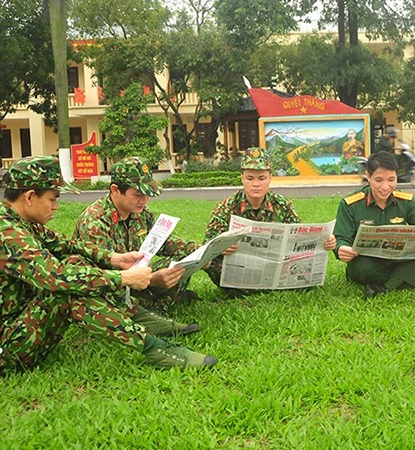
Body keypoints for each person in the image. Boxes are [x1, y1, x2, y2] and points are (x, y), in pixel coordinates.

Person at [0, 156, 216, 373]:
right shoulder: (7, 233)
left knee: (76, 264)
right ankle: (153, 346)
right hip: (6, 350)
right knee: (64, 289)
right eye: (52, 199)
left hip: (21, 328)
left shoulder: (24, 224)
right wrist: (125, 277)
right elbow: (56, 276)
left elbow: (69, 246)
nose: (56, 206)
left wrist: (114, 258)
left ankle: (148, 330)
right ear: (29, 197)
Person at [73, 157, 201, 336]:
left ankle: (153, 308)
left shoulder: (142, 214)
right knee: (113, 300)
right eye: (138, 195)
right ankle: (151, 312)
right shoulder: (95, 221)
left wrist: (202, 250)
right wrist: (152, 279)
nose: (144, 200)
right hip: (108, 287)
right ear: (115, 190)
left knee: (180, 263)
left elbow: (166, 244)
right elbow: (105, 278)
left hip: (137, 280)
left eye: (147, 194)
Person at [204, 147, 336, 296]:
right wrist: (220, 247)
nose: (256, 184)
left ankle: (262, 288)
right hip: (240, 269)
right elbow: (207, 244)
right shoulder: (226, 207)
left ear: (270, 178)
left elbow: (300, 237)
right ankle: (244, 289)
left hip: (274, 266)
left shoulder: (282, 204)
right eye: (250, 178)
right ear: (242, 178)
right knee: (212, 264)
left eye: (261, 178)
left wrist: (325, 240)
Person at [333, 152, 415, 298]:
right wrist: (341, 248)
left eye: (391, 179)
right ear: (368, 176)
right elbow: (340, 238)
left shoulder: (406, 201)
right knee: (364, 269)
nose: (385, 186)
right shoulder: (350, 204)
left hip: (398, 259)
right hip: (368, 262)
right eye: (379, 180)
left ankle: (387, 286)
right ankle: (406, 277)